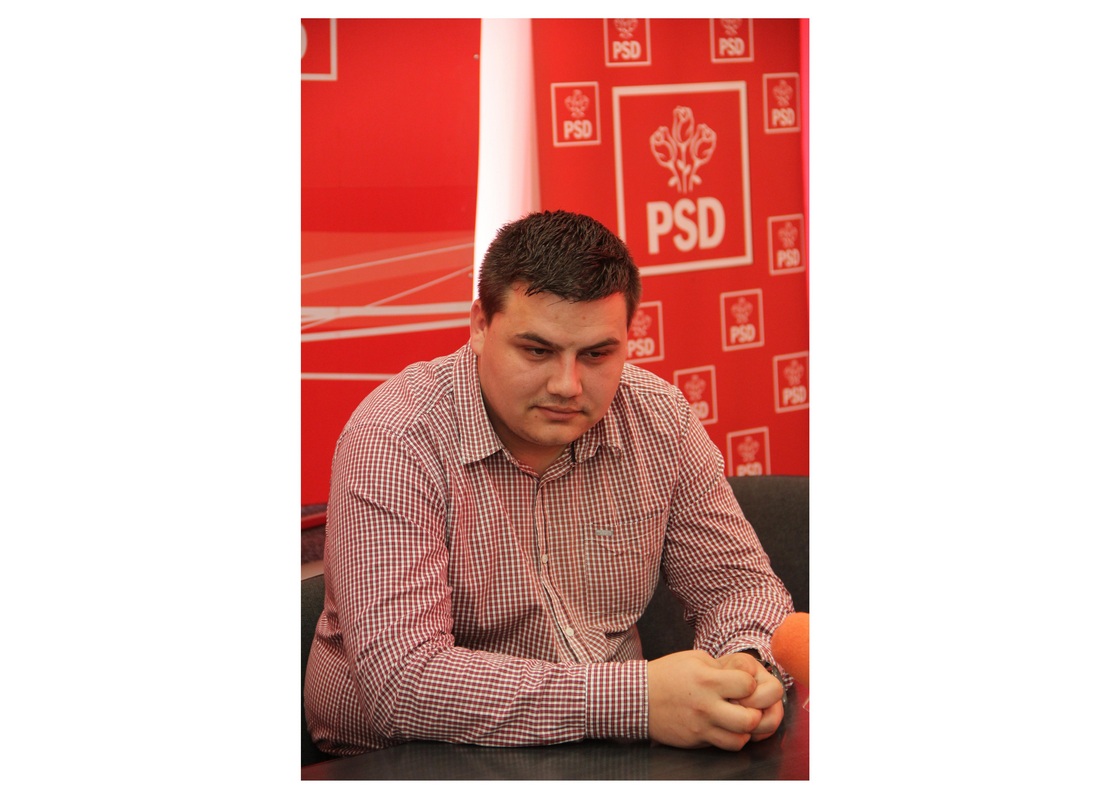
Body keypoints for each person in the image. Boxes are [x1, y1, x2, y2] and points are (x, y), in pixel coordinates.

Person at [304, 210, 795, 755]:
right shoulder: (395, 437)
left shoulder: (659, 419)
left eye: (597, 354)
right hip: (411, 761)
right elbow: (403, 683)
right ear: (480, 326)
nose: (567, 385)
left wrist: (744, 670)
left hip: (608, 752)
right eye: (537, 351)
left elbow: (740, 589)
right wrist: (637, 700)